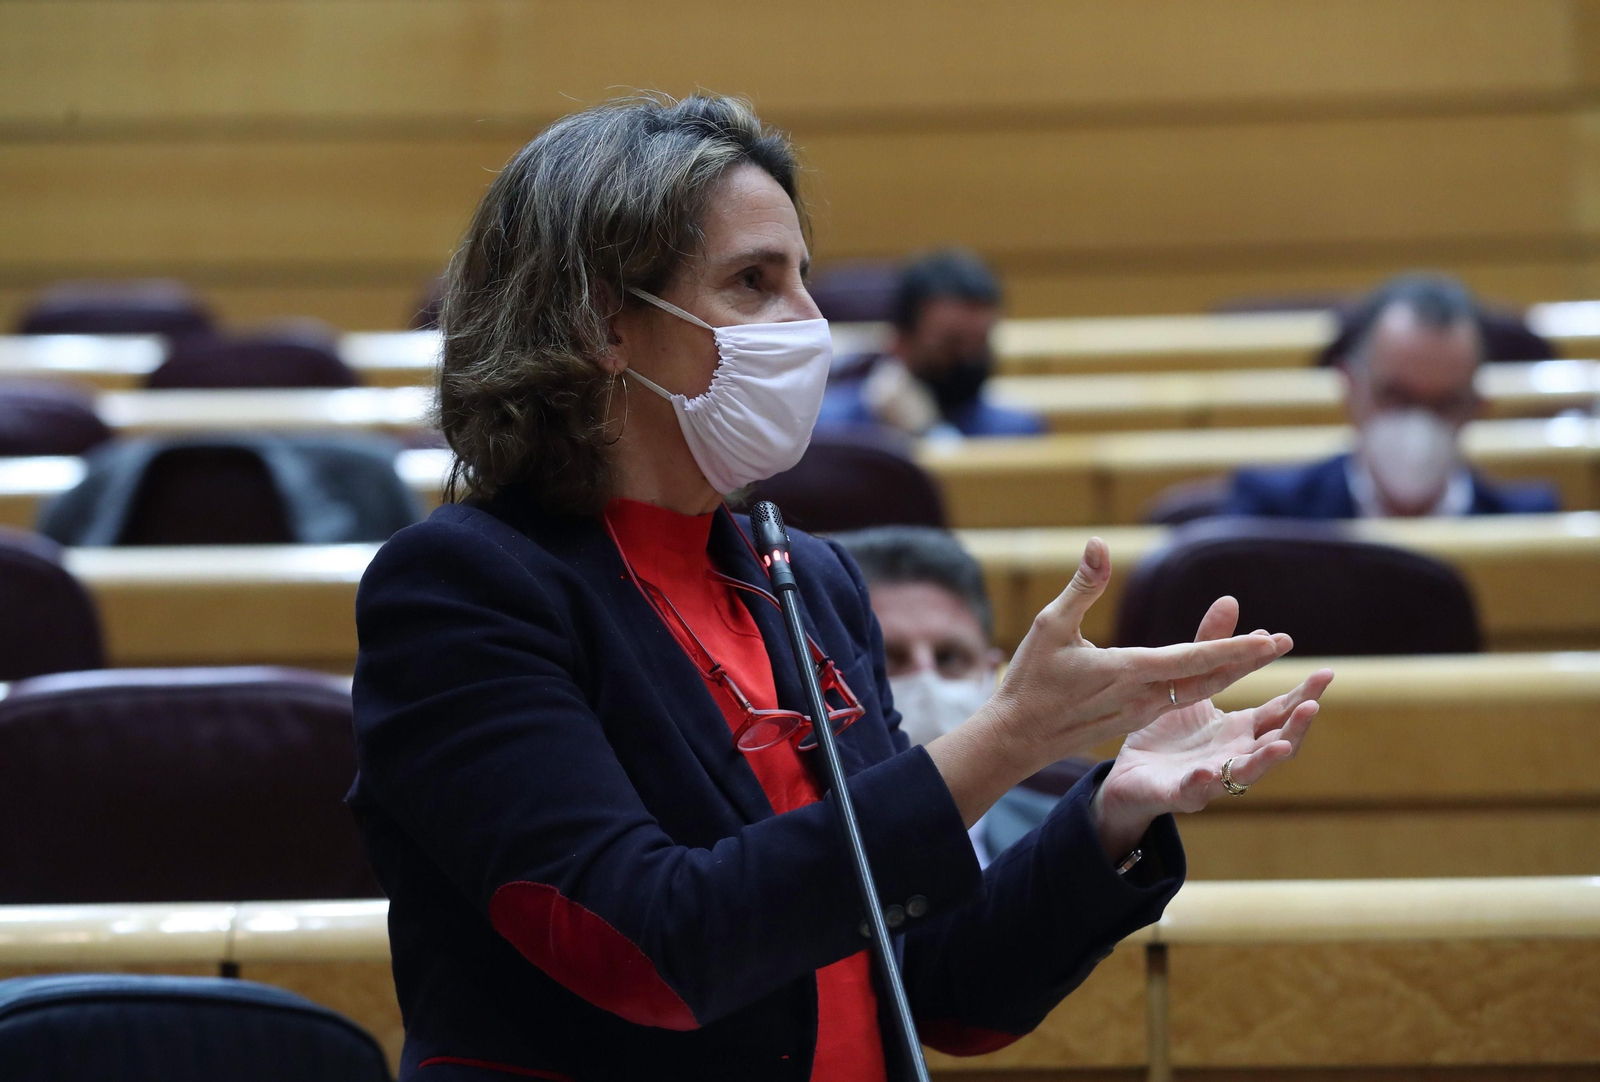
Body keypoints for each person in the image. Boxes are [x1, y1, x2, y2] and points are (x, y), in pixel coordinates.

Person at [350, 94, 1331, 1082]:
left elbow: (939, 985)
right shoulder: (463, 589)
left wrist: (1109, 809)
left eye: (802, 280)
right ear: (601, 321)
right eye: (753, 282)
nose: (810, 324)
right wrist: (1005, 739)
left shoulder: (801, 577)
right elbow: (651, 945)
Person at [834, 525, 1093, 867]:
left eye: (949, 658)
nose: (925, 680)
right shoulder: (779, 855)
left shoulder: (1068, 841)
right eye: (888, 658)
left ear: (992, 676)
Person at [1222, 274, 1561, 518]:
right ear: (1350, 389)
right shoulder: (1270, 513)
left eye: (1445, 404)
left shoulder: (1529, 520)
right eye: (1396, 398)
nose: (1418, 427)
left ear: (1477, 409)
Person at [817, 250, 1045, 439]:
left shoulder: (1017, 432)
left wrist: (929, 433)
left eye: (980, 342)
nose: (969, 357)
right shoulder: (831, 429)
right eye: (951, 343)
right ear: (901, 340)